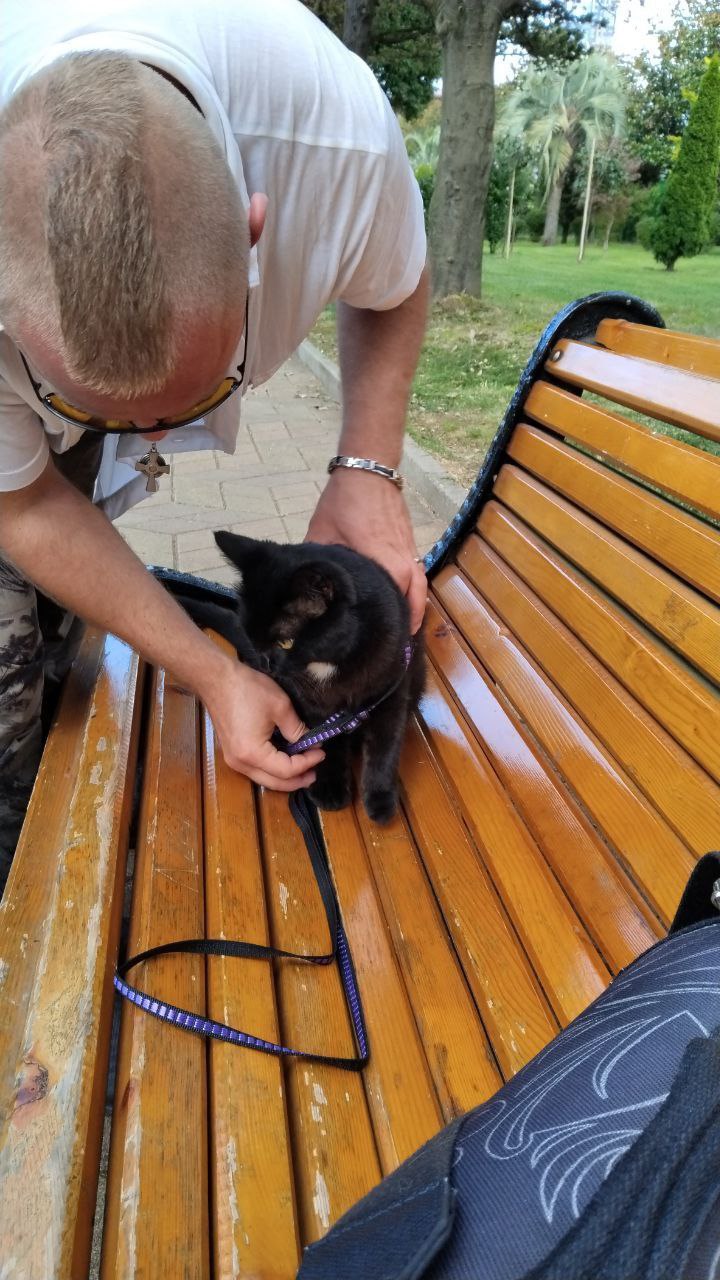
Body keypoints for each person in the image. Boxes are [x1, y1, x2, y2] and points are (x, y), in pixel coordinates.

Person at [0, 0, 429, 883]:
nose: (155, 444)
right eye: (113, 418)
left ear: (255, 228)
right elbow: (27, 503)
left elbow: (395, 280)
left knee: (61, 626)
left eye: (200, 393)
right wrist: (210, 670)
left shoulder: (337, 139)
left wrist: (368, 464)